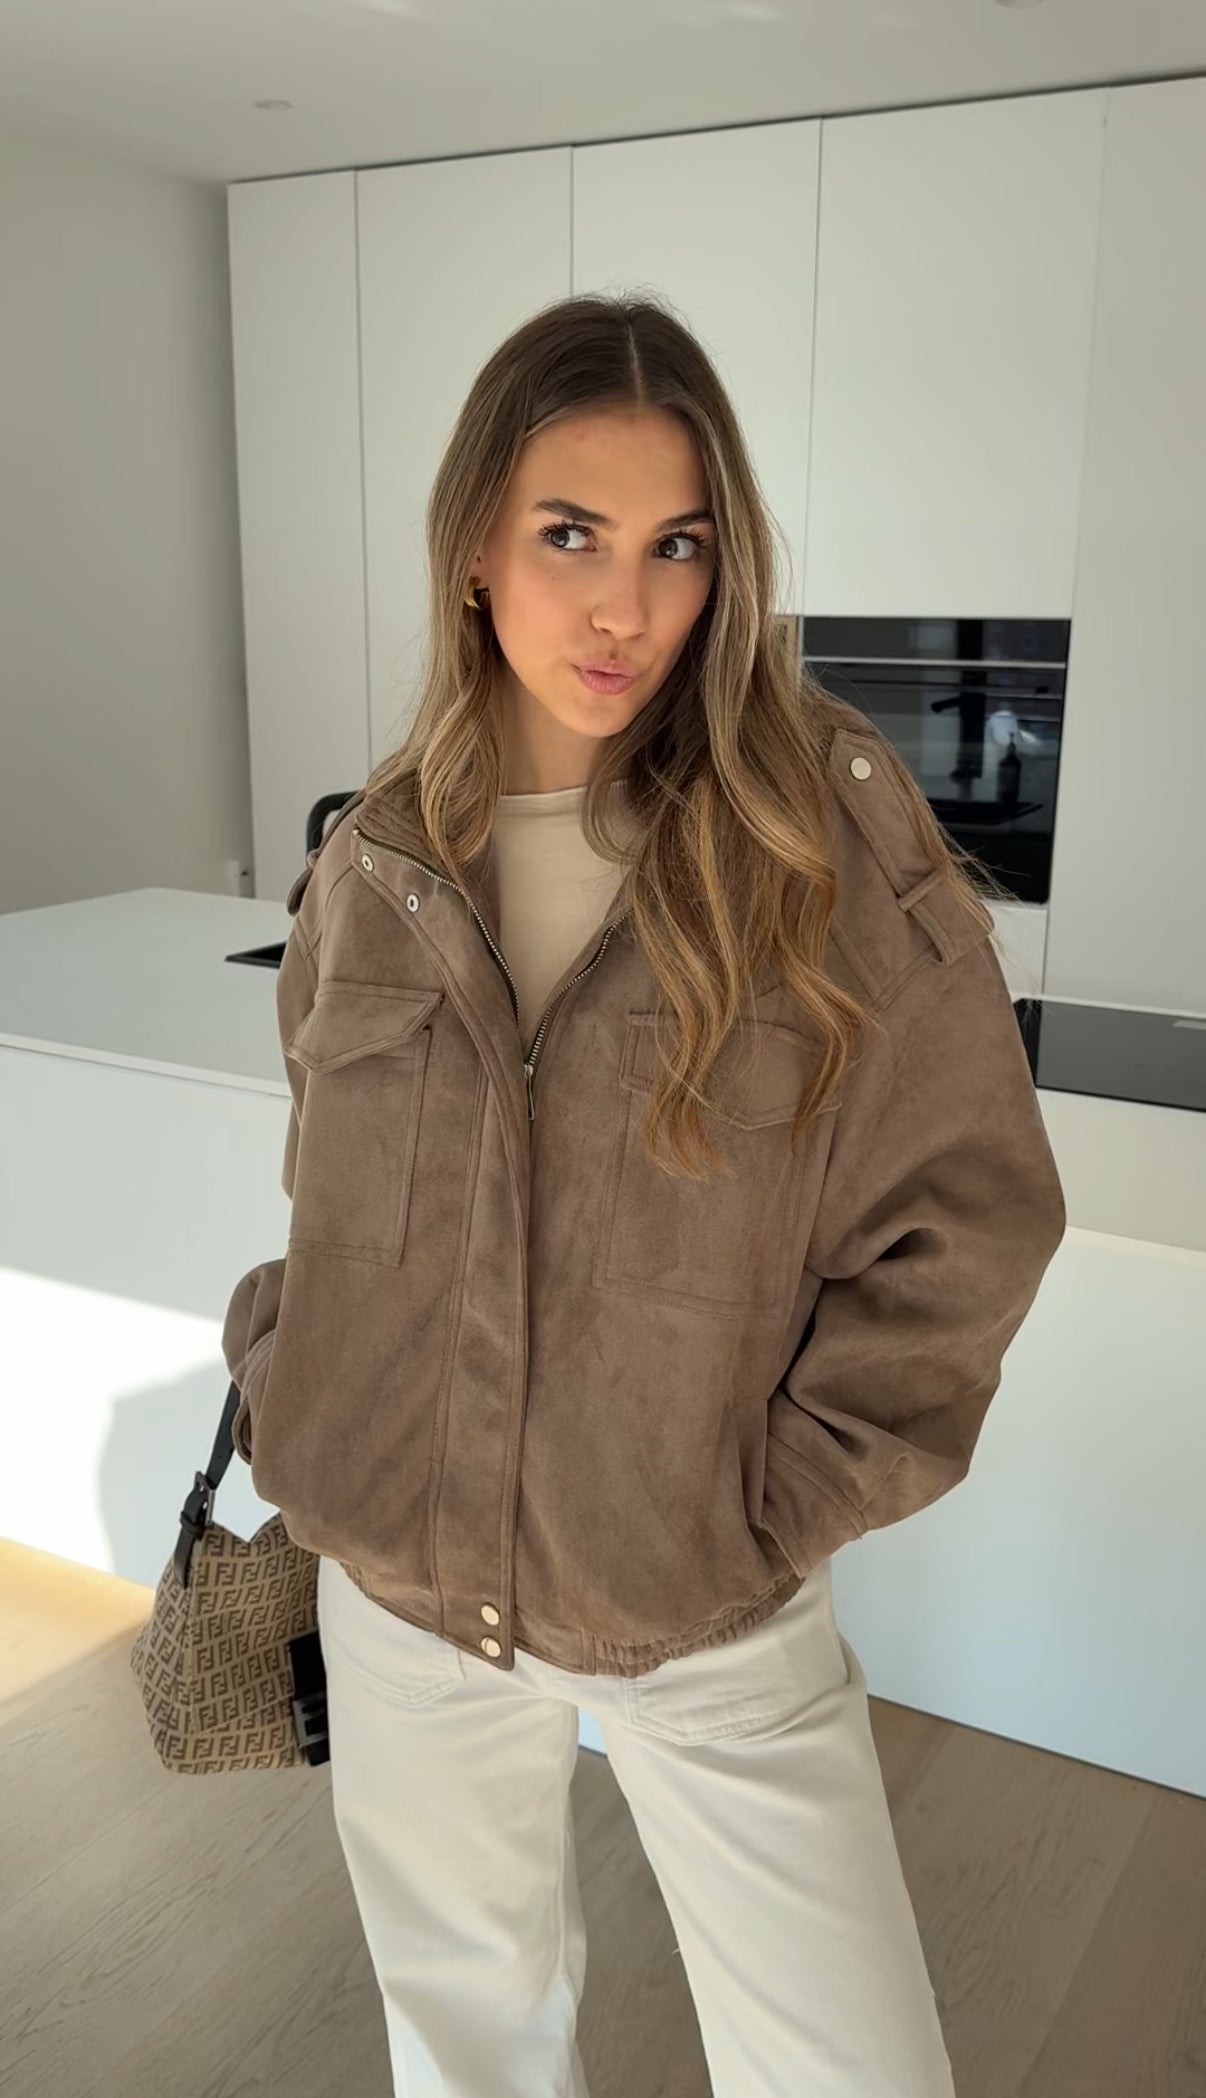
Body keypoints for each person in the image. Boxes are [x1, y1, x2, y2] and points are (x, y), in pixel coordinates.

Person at [221, 293, 1066, 2098]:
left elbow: (972, 1212)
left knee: (851, 2069)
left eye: (675, 545)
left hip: (694, 1599)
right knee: (465, 2050)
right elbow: (323, 1177)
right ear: (472, 547)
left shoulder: (813, 842)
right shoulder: (373, 862)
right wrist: (306, 1385)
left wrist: (768, 1508)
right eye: (570, 534)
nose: (626, 607)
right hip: (400, 1583)